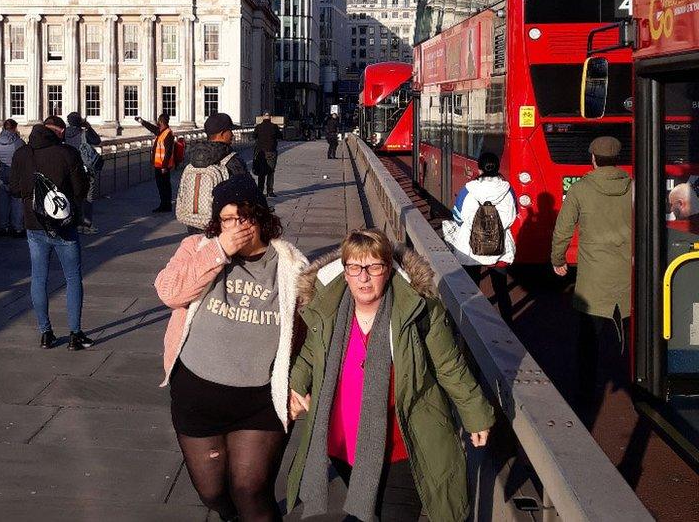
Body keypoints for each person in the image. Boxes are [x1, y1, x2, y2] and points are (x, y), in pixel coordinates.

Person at [286, 229, 495, 522]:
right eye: (355, 268)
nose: (364, 277)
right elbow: (312, 352)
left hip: (401, 446)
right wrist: (295, 386)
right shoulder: (330, 309)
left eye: (374, 267)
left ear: (388, 269)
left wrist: (475, 412)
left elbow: (448, 365)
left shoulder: (418, 310)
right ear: (344, 272)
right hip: (343, 445)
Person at [155, 174, 308, 522]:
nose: (236, 227)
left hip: (260, 404)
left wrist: (299, 384)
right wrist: (219, 250)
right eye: (226, 220)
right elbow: (170, 292)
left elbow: (305, 334)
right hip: (198, 397)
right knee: (213, 494)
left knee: (251, 492)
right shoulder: (197, 249)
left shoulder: (290, 266)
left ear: (261, 218)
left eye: (244, 218)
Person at [550, 136, 632, 424]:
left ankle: (585, 396)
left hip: (593, 277)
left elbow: (562, 230)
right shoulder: (632, 187)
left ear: (593, 159)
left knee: (588, 341)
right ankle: (639, 390)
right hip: (627, 275)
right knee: (631, 338)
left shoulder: (581, 189)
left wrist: (558, 260)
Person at [10, 117, 92, 352]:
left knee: (38, 278)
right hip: (63, 226)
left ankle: (45, 333)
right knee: (73, 278)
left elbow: (14, 189)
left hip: (34, 225)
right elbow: (80, 190)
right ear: (61, 131)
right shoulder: (67, 153)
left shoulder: (22, 154)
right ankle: (75, 335)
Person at [442, 152, 517, 322]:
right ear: (497, 167)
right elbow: (513, 215)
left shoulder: (468, 189)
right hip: (500, 248)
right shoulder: (508, 190)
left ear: (479, 168)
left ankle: (472, 323)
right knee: (501, 289)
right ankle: (509, 326)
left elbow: (458, 216)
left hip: (470, 249)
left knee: (470, 290)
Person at [178, 113, 250, 234]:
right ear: (222, 134)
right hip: (220, 226)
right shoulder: (231, 159)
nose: (232, 134)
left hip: (193, 222)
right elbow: (247, 191)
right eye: (230, 131)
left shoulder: (194, 158)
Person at [62, 112, 102, 235]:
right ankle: (87, 225)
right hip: (85, 169)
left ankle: (76, 223)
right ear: (80, 121)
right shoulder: (84, 133)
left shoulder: (63, 134)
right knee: (87, 197)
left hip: (70, 170)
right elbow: (97, 141)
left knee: (74, 197)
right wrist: (89, 127)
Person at [136, 113, 176, 213]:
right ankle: (164, 205)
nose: (157, 122)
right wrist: (142, 121)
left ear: (161, 121)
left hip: (163, 166)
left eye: (158, 120)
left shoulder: (168, 134)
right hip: (159, 165)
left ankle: (166, 206)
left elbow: (168, 152)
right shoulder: (162, 132)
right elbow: (152, 128)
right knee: (162, 186)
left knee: (164, 186)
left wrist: (164, 166)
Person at [0, 119, 25, 238]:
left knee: (3, 203)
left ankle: (4, 227)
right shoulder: (18, 142)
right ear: (14, 128)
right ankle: (17, 228)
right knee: (17, 202)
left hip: (1, 176)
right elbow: (23, 156)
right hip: (15, 176)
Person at [253, 113, 282, 197]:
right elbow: (280, 136)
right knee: (271, 171)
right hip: (271, 151)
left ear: (263, 117)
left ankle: (260, 191)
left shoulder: (258, 127)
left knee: (262, 172)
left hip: (261, 152)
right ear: (271, 117)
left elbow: (254, 136)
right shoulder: (274, 126)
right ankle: (270, 191)